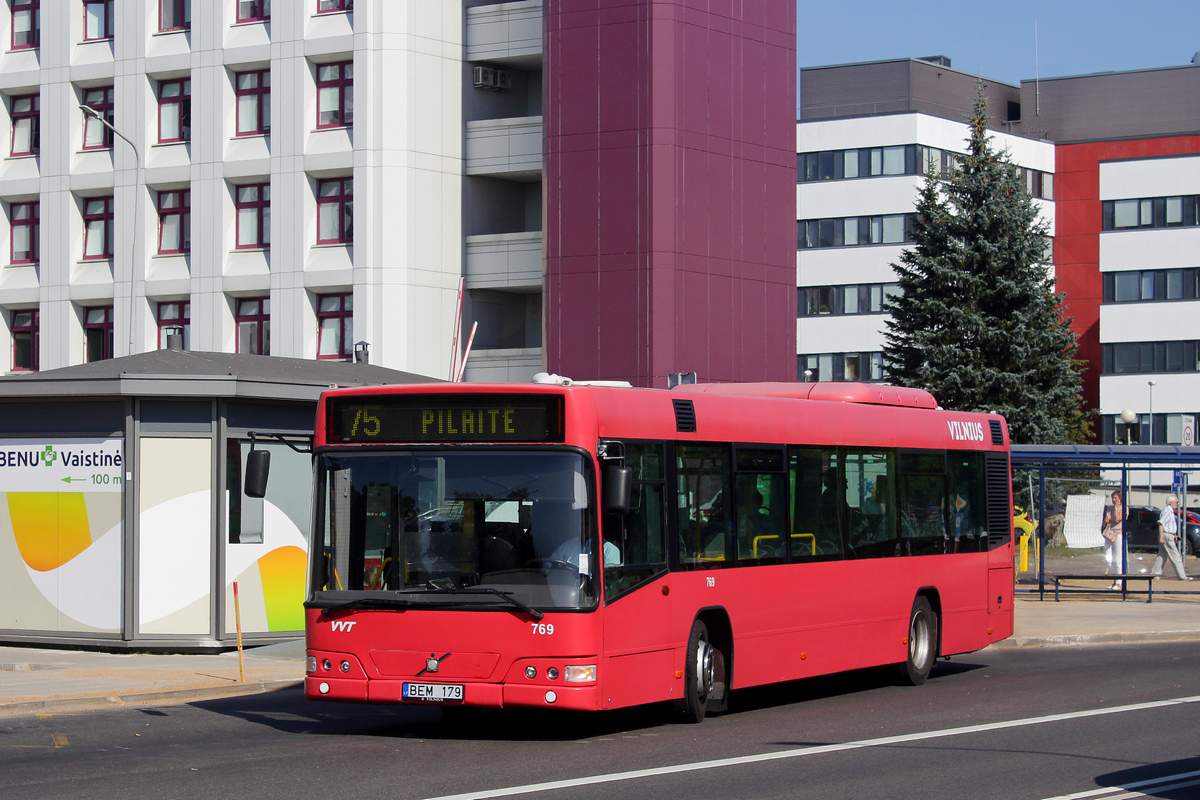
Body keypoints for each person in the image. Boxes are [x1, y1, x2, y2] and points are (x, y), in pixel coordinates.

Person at [1151, 494, 1193, 581]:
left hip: (1169, 535)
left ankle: (1155, 574)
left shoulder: (1169, 511)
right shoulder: (1167, 511)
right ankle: (1182, 576)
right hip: (1167, 535)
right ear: (1171, 502)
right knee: (1175, 556)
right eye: (1176, 502)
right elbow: (1161, 523)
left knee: (1162, 556)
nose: (1177, 504)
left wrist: (1174, 535)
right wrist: (1162, 536)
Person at [1101, 490, 1126, 589]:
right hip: (1109, 533)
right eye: (1113, 498)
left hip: (1118, 533)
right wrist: (1106, 521)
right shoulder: (1109, 508)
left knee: (1118, 559)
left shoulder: (1124, 508)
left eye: (1116, 498)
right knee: (1108, 558)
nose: (1113, 500)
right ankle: (1114, 578)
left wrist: (1116, 508)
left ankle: (1119, 582)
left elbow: (1117, 519)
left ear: (1120, 499)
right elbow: (1105, 522)